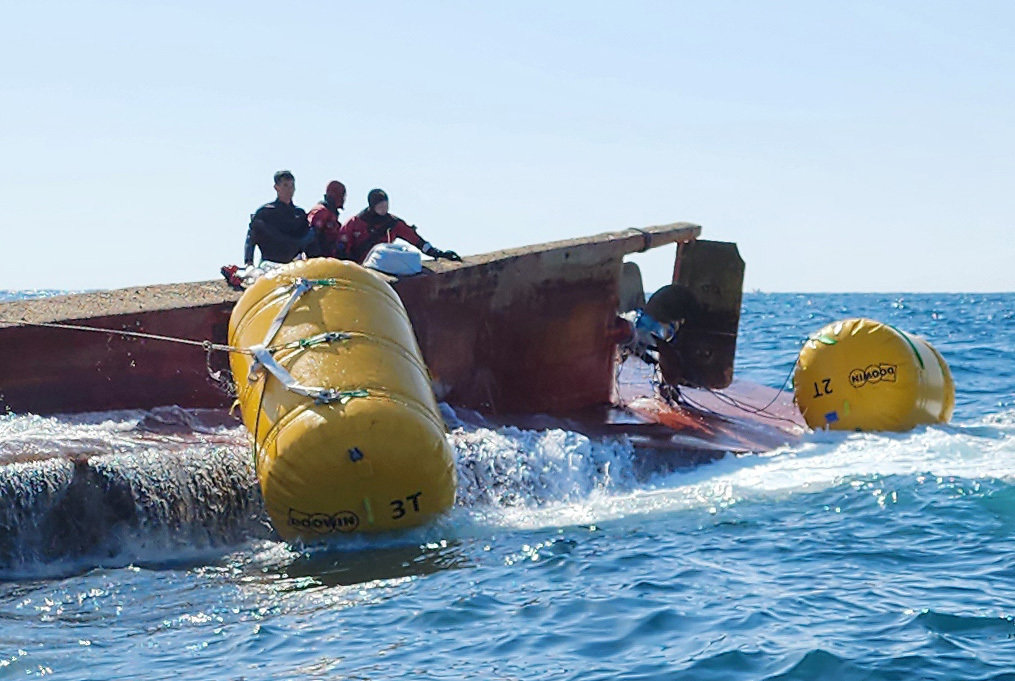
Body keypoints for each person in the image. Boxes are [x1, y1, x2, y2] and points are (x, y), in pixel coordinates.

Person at [337, 188, 461, 264]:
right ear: (372, 206)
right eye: (380, 206)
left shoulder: (393, 223)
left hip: (379, 268)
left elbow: (416, 240)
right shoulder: (354, 223)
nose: (384, 209)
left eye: (386, 206)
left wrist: (437, 253)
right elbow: (340, 246)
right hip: (355, 269)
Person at [243, 170, 318, 266]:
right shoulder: (265, 212)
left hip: (295, 265)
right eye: (285, 185)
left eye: (292, 186)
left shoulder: (299, 213)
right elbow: (251, 238)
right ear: (276, 187)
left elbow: (308, 242)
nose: (289, 190)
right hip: (270, 264)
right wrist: (248, 262)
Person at [307, 180, 347, 259]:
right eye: (342, 195)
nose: (344, 199)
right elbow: (312, 236)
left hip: (330, 259)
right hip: (318, 260)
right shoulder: (321, 211)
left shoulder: (333, 216)